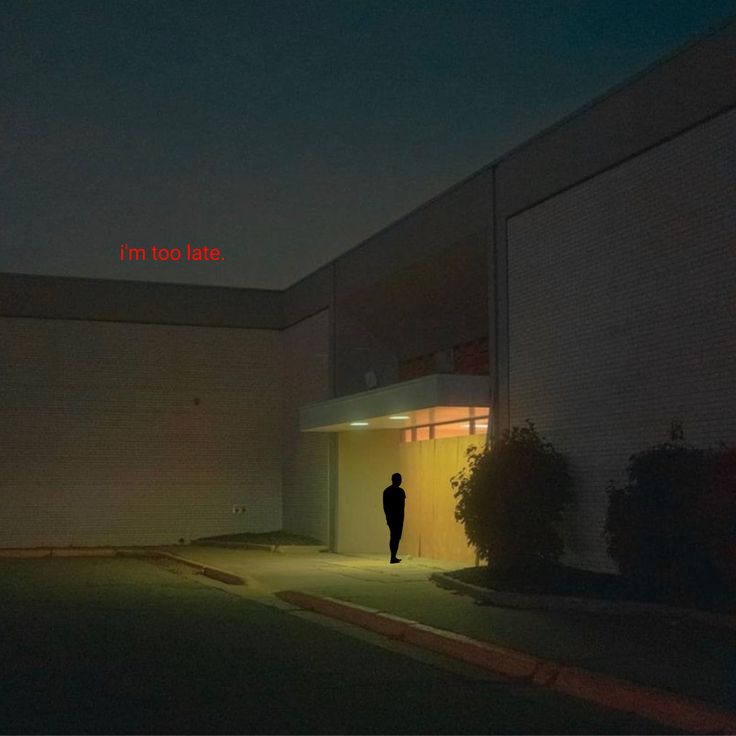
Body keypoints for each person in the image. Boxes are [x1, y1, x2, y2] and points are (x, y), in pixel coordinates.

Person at [383, 472, 406, 564]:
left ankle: (393, 556)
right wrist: (389, 518)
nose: (400, 481)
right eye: (398, 479)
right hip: (395, 518)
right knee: (394, 537)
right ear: (393, 480)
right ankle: (393, 557)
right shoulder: (399, 492)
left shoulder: (388, 491)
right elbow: (386, 507)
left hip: (397, 517)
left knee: (396, 537)